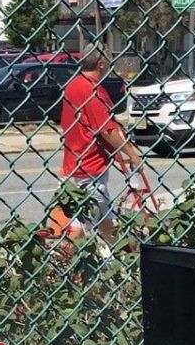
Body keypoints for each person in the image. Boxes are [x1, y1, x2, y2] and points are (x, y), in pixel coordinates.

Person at [58, 45, 141, 242]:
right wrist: (133, 154)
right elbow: (107, 130)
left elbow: (96, 121)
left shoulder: (74, 84)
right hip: (90, 163)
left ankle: (110, 254)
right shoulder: (92, 89)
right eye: (109, 61)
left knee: (98, 215)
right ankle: (73, 261)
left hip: (79, 159)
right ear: (101, 64)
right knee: (90, 214)